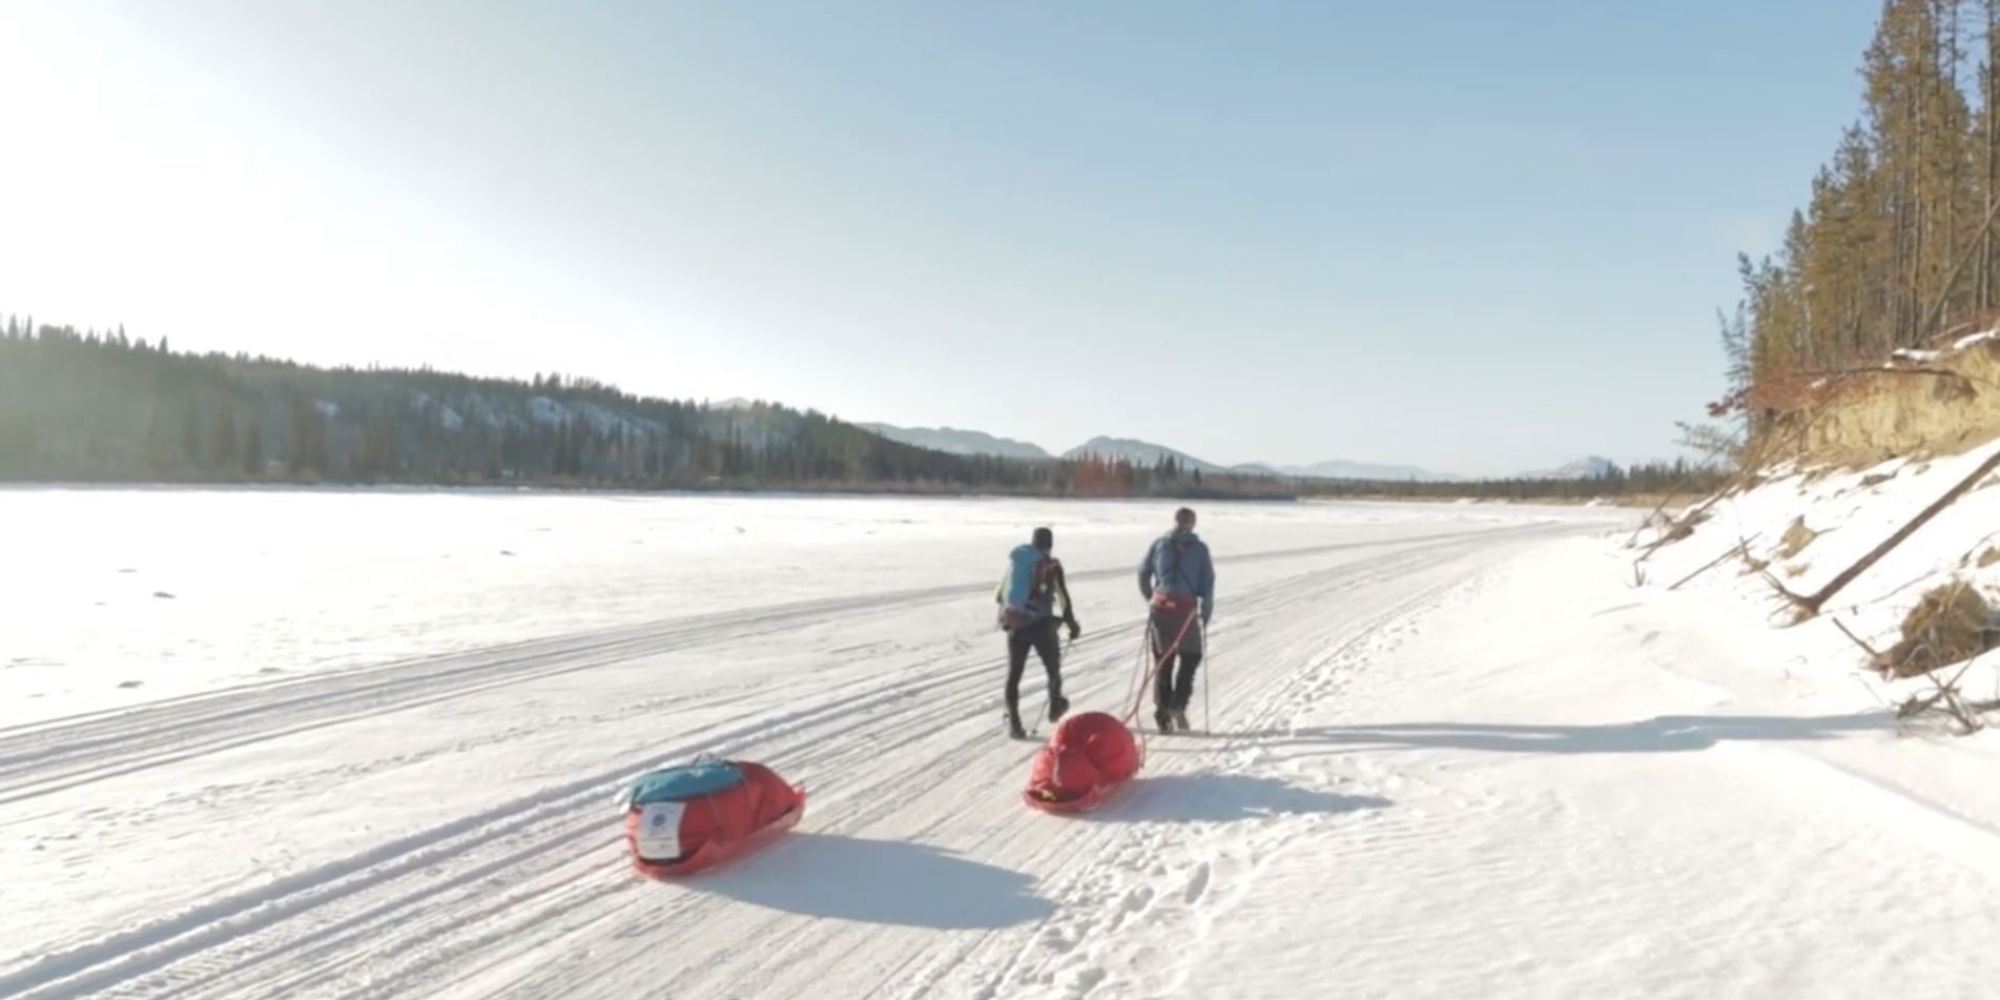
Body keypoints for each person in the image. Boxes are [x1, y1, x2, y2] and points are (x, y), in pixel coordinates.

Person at [996, 526, 1081, 739]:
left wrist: (1013, 614)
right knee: (1053, 669)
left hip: (1017, 626)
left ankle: (1015, 724)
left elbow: (999, 595)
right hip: (1042, 625)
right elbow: (1063, 598)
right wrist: (1071, 624)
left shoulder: (1017, 563)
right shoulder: (1051, 566)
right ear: (1049, 545)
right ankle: (1055, 705)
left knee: (1014, 674)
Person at [1137, 507, 1214, 733]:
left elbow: (1143, 572)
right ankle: (1178, 705)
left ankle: (1163, 713)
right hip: (1185, 611)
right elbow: (1207, 583)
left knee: (1163, 661)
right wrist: (1206, 613)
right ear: (1192, 524)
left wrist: (1150, 595)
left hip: (1160, 609)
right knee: (1191, 657)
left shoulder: (1159, 543)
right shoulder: (1200, 550)